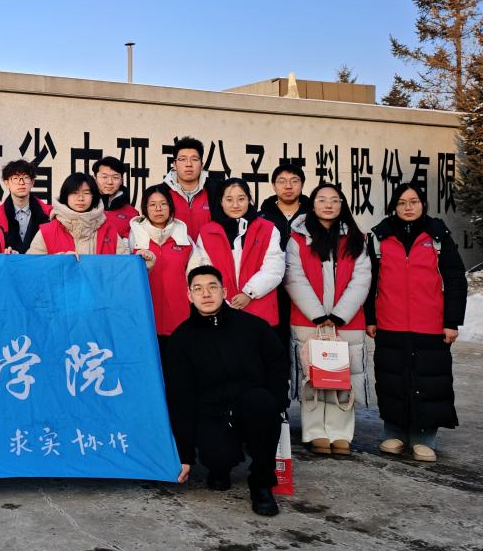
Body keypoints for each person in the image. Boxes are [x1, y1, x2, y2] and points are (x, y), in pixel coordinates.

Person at [165, 265, 289, 517]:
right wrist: (184, 455)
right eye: (198, 289)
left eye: (212, 287)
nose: (206, 294)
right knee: (217, 457)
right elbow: (181, 398)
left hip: (250, 404)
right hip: (212, 412)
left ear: (224, 292)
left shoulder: (254, 327)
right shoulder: (181, 339)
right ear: (189, 295)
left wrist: (277, 405)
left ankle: (262, 483)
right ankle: (220, 468)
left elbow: (277, 364)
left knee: (263, 404)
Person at [365, 182, 467, 462]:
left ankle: (424, 437)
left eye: (414, 201)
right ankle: (394, 432)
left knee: (429, 380)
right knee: (392, 379)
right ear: (393, 207)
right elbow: (368, 281)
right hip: (390, 322)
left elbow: (456, 279)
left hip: (430, 324)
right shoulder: (379, 237)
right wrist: (370, 318)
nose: (408, 207)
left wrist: (452, 321)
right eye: (401, 203)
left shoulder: (437, 236)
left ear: (423, 204)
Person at [284, 182, 371, 456]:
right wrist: (319, 314)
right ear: (312, 205)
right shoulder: (297, 239)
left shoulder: (356, 239)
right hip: (309, 320)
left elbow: (362, 278)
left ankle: (341, 432)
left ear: (342, 205)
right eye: (322, 199)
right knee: (313, 376)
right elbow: (293, 277)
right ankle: (315, 432)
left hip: (347, 321)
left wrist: (338, 315)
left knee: (343, 376)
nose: (328, 205)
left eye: (334, 200)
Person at [190, 178, 285, 325]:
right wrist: (222, 297)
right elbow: (204, 269)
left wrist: (249, 293)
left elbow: (274, 268)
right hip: (221, 308)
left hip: (259, 307)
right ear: (221, 202)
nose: (235, 205)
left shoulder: (268, 229)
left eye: (241, 199)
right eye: (229, 200)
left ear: (249, 200)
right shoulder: (207, 232)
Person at [128, 184, 195, 353]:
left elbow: (197, 275)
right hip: (144, 316)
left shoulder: (184, 238)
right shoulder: (132, 238)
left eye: (163, 203)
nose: (158, 209)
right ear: (145, 208)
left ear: (170, 207)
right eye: (152, 204)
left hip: (179, 317)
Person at [259, 163, 311, 349]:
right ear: (273, 186)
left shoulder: (314, 216)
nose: (288, 186)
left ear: (302, 184)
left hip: (307, 288)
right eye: (282, 181)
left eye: (294, 181)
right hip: (272, 290)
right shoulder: (261, 218)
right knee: (275, 343)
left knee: (306, 345)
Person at [27, 173, 129, 255]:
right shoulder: (47, 231)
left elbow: (126, 267)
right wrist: (58, 261)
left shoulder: (109, 231)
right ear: (65, 196)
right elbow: (31, 266)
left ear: (94, 196)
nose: (80, 198)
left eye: (86, 193)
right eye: (74, 193)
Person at [163, 137, 220, 237]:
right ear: (174, 164)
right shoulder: (161, 192)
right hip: (174, 247)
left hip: (208, 247)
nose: (188, 164)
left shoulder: (217, 191)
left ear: (201, 165)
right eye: (182, 159)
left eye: (194, 159)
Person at [0, 159, 51, 254]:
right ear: (6, 183)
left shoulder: (49, 213)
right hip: (8, 263)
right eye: (15, 178)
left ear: (32, 182)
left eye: (26, 177)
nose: (21, 183)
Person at [94, 156, 139, 230]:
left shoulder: (132, 214)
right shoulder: (83, 207)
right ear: (95, 178)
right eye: (104, 177)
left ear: (121, 180)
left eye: (115, 177)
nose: (110, 182)